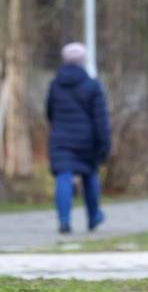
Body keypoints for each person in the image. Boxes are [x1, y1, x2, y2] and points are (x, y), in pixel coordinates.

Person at [46, 42, 109, 234]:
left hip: (61, 139)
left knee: (63, 177)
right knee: (89, 175)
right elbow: (100, 119)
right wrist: (104, 144)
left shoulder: (55, 85)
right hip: (86, 140)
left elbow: (49, 113)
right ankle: (93, 217)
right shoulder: (92, 86)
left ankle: (64, 221)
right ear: (83, 61)